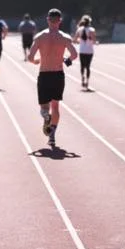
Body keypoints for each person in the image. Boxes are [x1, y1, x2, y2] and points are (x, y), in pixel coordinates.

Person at [27, 8, 78, 148]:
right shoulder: (65, 37)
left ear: (48, 20)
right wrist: (66, 60)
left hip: (44, 74)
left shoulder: (39, 37)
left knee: (44, 107)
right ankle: (52, 137)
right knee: (55, 106)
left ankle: (45, 116)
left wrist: (36, 61)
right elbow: (74, 55)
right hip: (58, 74)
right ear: (60, 21)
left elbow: (30, 57)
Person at [73, 15, 97, 90]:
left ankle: (82, 77)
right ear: (89, 22)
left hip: (82, 50)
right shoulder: (92, 30)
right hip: (89, 51)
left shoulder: (79, 29)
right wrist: (94, 41)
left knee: (82, 66)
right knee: (88, 66)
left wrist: (79, 41)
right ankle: (87, 81)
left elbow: (74, 40)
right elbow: (94, 41)